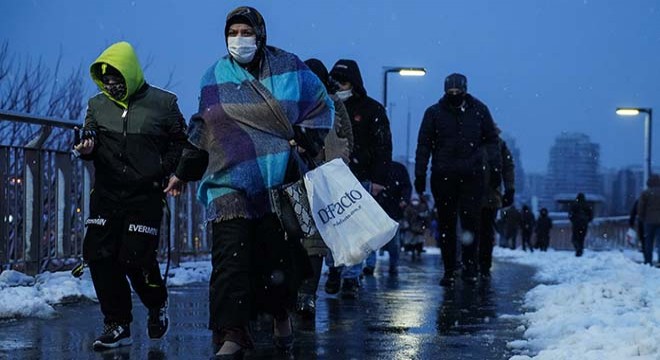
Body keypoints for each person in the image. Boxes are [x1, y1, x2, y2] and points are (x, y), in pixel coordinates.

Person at [167, 7, 333, 358]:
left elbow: (322, 104)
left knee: (277, 258)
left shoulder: (289, 67)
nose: (239, 39)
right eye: (233, 32)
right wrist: (182, 171)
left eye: (246, 31)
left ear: (260, 34)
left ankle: (279, 313)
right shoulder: (214, 77)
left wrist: (306, 139)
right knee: (230, 260)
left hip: (279, 181)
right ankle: (232, 333)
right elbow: (202, 127)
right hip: (228, 181)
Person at [75, 41, 188, 350]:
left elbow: (181, 143)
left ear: (130, 72)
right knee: (99, 254)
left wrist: (163, 171)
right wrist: (86, 149)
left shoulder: (164, 104)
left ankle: (156, 301)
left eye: (116, 78)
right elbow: (89, 137)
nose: (111, 85)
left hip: (146, 194)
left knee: (134, 257)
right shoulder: (97, 105)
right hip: (108, 194)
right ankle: (117, 323)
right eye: (105, 79)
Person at [414, 73, 501, 286]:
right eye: (450, 92)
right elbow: (423, 145)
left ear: (464, 90)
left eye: (457, 92)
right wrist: (420, 173)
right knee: (447, 224)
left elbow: (492, 141)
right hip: (444, 177)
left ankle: (469, 266)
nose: (454, 95)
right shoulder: (434, 113)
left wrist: (495, 169)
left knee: (470, 222)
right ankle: (450, 269)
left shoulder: (478, 111)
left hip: (471, 176)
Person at [324, 59, 393, 299]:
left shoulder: (371, 110)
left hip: (359, 176)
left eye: (344, 82)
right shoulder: (326, 106)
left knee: (355, 230)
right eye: (336, 82)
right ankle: (334, 269)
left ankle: (351, 276)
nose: (340, 87)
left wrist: (378, 179)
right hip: (331, 177)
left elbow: (383, 146)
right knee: (332, 228)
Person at [295, 58, 353, 319]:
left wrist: (340, 162)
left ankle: (307, 294)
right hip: (296, 177)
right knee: (302, 238)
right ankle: (299, 293)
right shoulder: (292, 103)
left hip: (323, 178)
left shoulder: (333, 104)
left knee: (315, 242)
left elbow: (347, 138)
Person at [364, 161, 412, 274]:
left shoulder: (376, 167)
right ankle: (389, 264)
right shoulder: (398, 168)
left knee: (375, 239)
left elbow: (406, 187)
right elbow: (406, 186)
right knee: (390, 241)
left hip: (380, 209)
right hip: (389, 209)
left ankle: (375, 265)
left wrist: (404, 199)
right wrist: (404, 200)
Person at [479, 137, 515, 278]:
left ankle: (476, 264)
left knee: (477, 231)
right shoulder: (498, 143)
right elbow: (508, 166)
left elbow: (508, 166)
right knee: (486, 231)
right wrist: (509, 189)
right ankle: (483, 265)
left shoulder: (468, 135)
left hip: (477, 195)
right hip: (490, 195)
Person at [637, 176, 660, 265]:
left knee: (648, 241)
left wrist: (641, 217)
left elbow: (640, 207)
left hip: (649, 221)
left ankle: (648, 260)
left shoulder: (645, 193)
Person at [402, 195, 431, 260]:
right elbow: (406, 216)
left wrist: (425, 224)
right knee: (411, 241)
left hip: (420, 227)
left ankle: (418, 251)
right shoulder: (409, 208)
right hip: (411, 228)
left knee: (419, 240)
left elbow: (426, 216)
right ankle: (412, 251)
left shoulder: (422, 207)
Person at [568, 192, 594, 257]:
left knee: (575, 238)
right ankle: (580, 250)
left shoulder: (574, 205)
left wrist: (573, 220)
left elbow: (570, 215)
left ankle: (578, 248)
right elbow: (591, 215)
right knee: (581, 238)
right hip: (584, 224)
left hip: (576, 224)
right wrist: (587, 220)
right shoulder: (587, 205)